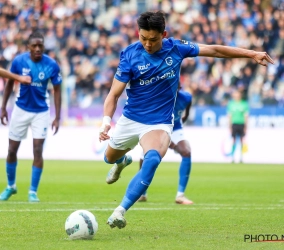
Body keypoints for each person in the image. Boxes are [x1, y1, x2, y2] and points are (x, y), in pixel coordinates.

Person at [98, 11, 274, 229]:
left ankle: (120, 211)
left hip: (158, 122)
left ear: (164, 34)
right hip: (131, 119)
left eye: (153, 39)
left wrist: (251, 54)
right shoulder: (129, 55)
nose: (147, 44)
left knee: (152, 159)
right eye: (143, 38)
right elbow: (113, 95)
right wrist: (106, 120)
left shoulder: (177, 48)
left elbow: (215, 50)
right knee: (109, 157)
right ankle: (121, 161)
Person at [0, 31, 62, 202]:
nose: (37, 48)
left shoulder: (52, 65)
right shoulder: (19, 61)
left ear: (44, 46)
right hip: (20, 109)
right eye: (34, 45)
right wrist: (3, 107)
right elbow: (9, 82)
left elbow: (57, 91)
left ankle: (32, 191)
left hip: (41, 111)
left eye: (40, 45)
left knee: (38, 150)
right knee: (12, 150)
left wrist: (57, 117)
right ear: (28, 47)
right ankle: (11, 186)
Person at [138, 86, 193, 205]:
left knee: (186, 152)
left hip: (175, 128)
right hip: (156, 128)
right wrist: (169, 143)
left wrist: (175, 137)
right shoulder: (159, 98)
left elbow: (186, 114)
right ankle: (142, 193)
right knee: (146, 158)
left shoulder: (187, 98)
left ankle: (180, 195)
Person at [227, 90, 249, 163]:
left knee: (242, 140)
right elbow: (229, 116)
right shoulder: (231, 104)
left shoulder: (244, 104)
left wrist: (246, 126)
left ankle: (241, 157)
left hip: (241, 124)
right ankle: (232, 157)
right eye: (235, 94)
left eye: (238, 94)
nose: (236, 96)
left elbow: (246, 116)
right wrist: (229, 126)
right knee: (233, 140)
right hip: (234, 124)